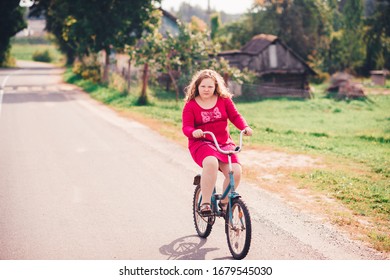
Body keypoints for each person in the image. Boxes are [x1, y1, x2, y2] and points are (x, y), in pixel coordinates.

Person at [182, 69, 253, 215]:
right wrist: (193, 131)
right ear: (197, 87)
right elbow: (186, 126)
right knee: (211, 163)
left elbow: (235, 116)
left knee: (236, 171)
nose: (206, 90)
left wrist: (244, 127)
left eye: (210, 86)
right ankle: (206, 203)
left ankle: (225, 202)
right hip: (202, 143)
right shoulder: (191, 105)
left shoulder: (224, 100)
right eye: (203, 86)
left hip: (223, 142)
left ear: (216, 86)